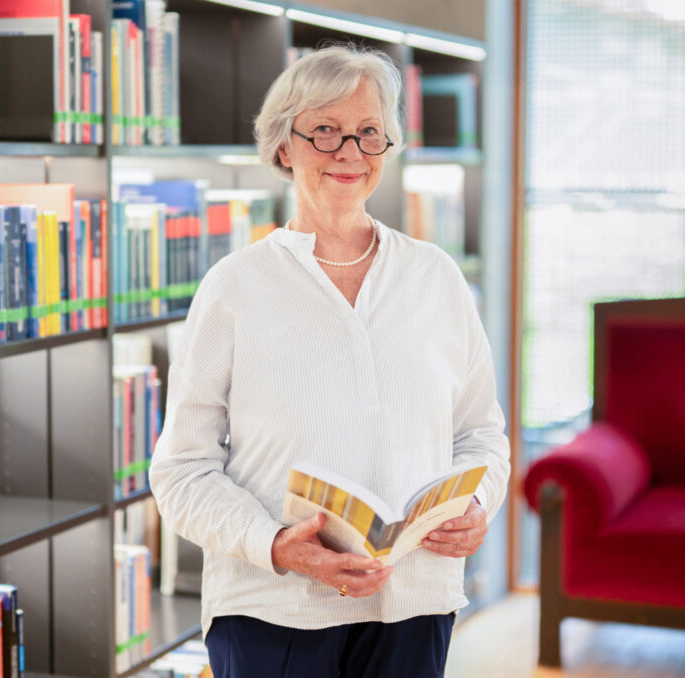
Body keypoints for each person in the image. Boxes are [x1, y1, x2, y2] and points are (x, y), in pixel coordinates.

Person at [149, 43, 510, 678]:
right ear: (284, 147)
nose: (350, 152)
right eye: (326, 131)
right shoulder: (234, 287)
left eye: (369, 132)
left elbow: (481, 434)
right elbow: (181, 471)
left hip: (414, 603)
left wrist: (477, 503)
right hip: (273, 611)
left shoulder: (436, 278)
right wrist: (277, 547)